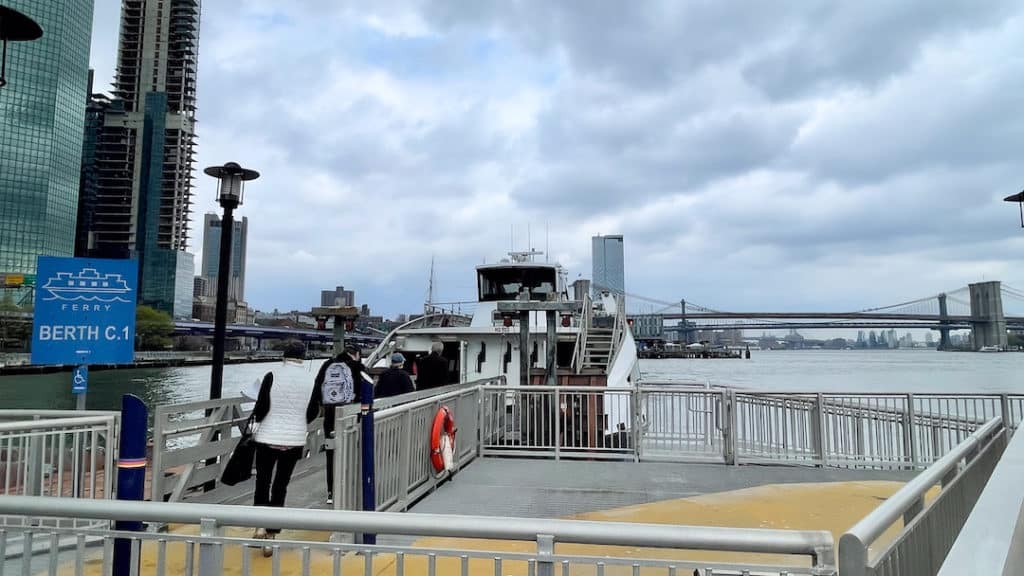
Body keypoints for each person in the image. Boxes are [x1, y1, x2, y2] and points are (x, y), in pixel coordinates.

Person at [250, 341, 321, 556]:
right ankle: (272, 534)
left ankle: (259, 526)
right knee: (281, 484)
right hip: (294, 439)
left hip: (268, 436)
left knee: (263, 481)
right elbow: (313, 411)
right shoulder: (311, 378)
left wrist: (259, 421)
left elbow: (261, 407)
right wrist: (299, 423)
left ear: (284, 355)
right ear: (303, 357)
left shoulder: (272, 374)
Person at [312, 342, 366, 505]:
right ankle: (349, 487)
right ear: (356, 354)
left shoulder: (328, 365)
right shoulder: (358, 367)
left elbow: (317, 387)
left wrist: (319, 407)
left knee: (331, 450)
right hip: (350, 413)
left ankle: (331, 491)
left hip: (330, 415)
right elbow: (366, 391)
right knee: (351, 450)